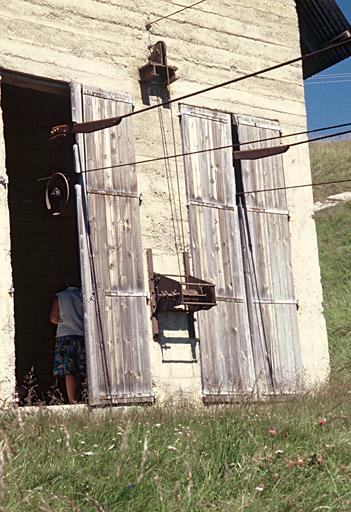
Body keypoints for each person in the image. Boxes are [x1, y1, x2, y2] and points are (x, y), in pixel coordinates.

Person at [49, 283, 85, 404]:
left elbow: (53, 318)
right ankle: (86, 397)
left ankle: (73, 401)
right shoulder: (83, 295)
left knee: (69, 371)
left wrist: (64, 321)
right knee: (83, 369)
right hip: (82, 334)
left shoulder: (61, 296)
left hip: (65, 336)